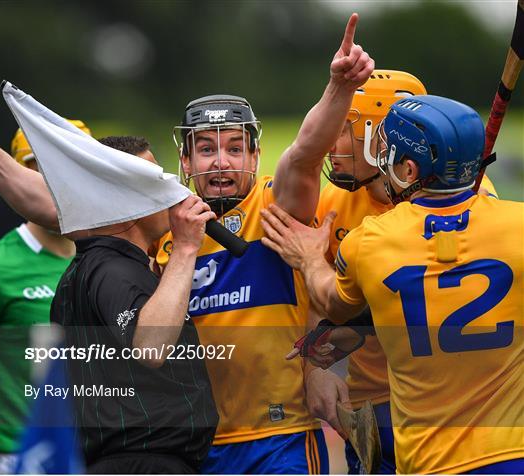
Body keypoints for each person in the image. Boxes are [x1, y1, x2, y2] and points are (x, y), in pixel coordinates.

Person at [154, 13, 374, 474]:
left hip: (279, 438)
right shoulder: (166, 231)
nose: (221, 162)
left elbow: (307, 151)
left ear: (255, 154)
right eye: (207, 149)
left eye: (235, 148)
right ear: (185, 158)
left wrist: (339, 88)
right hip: (194, 444)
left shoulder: (277, 203)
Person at [260, 95, 524, 474]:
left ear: (411, 170)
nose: (382, 163)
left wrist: (309, 259)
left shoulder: (370, 242)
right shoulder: (518, 225)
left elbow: (332, 303)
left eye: (389, 153)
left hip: (427, 460)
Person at [308, 71, 497, 474]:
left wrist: (310, 263)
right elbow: (314, 298)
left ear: (383, 139)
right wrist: (314, 368)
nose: (331, 144)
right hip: (370, 403)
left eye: (344, 130)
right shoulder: (333, 200)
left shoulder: (480, 200)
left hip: (450, 408)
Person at [48, 135, 219, 473]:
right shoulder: (112, 269)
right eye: (155, 181)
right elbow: (151, 346)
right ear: (124, 196)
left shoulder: (92, 266)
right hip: (142, 463)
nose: (169, 193)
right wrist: (185, 248)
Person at [0, 121, 90, 474]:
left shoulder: (113, 257)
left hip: (95, 453)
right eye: (38, 169)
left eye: (69, 167)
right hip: (20, 456)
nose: (54, 183)